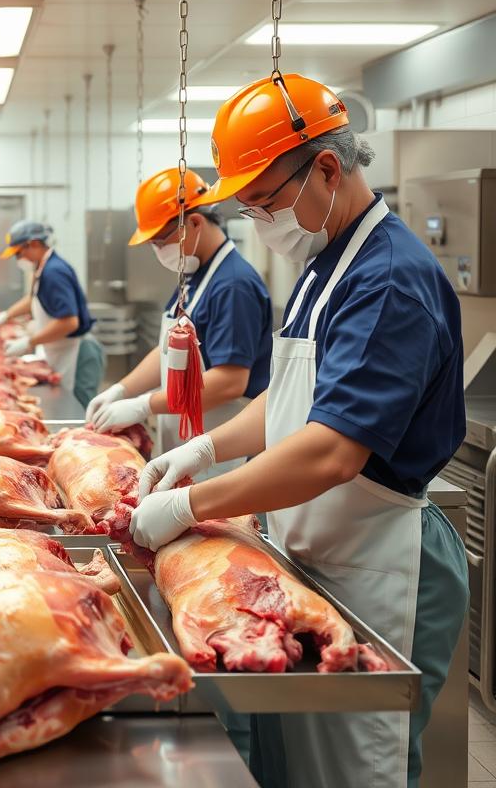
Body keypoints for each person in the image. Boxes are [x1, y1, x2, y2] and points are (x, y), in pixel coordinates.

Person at [128, 74, 469, 788]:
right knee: (298, 767)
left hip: (382, 559)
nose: (257, 219)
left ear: (326, 168)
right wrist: (206, 448)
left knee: (355, 767)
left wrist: (191, 505)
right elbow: (289, 400)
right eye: (246, 206)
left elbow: (332, 450)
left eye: (263, 201)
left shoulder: (388, 280)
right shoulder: (323, 267)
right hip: (322, 549)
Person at [88, 167, 272, 472]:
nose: (159, 252)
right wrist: (121, 389)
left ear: (195, 223)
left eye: (161, 242)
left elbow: (229, 382)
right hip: (187, 442)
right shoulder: (195, 276)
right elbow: (166, 351)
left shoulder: (233, 285)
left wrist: (144, 405)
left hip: (220, 453)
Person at [0, 219, 105, 409]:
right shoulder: (43, 267)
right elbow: (33, 299)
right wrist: (5, 316)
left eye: (19, 252)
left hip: (77, 351)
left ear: (33, 243)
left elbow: (69, 322)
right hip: (63, 348)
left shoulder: (54, 272)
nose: (18, 259)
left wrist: (29, 342)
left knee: (79, 411)